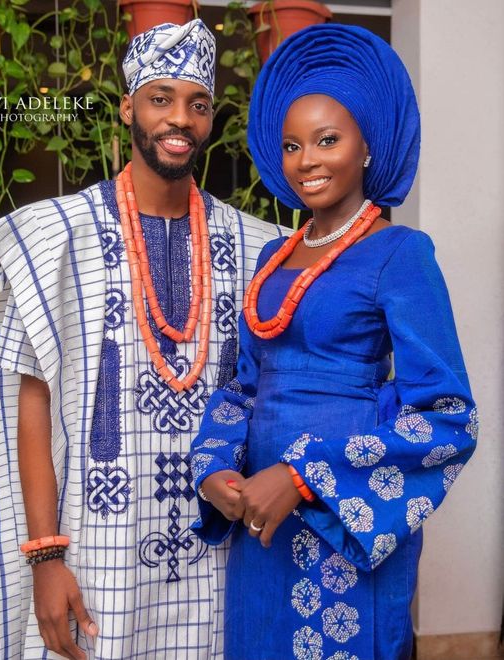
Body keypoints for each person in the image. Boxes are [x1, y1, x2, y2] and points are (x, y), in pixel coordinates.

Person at [0, 19, 288, 660]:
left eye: (197, 104)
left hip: (219, 553)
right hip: (97, 556)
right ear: (128, 108)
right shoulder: (59, 236)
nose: (180, 119)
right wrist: (45, 558)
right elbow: (31, 404)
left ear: (211, 120)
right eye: (161, 98)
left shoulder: (259, 246)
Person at [190, 23, 477, 660]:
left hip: (340, 523)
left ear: (367, 148)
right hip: (257, 524)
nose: (307, 160)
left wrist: (303, 477)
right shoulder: (274, 258)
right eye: (292, 145)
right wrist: (214, 469)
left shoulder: (399, 254)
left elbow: (448, 417)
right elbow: (243, 388)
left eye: (327, 140)